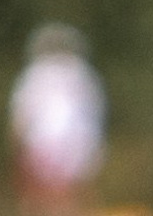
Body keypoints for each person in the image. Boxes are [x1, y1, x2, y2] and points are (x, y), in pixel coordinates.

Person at [10, 23, 107, 206]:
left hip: (44, 144)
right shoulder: (86, 76)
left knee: (43, 200)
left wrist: (16, 150)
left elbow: (21, 117)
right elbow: (97, 115)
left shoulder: (35, 74)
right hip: (82, 145)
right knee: (76, 198)